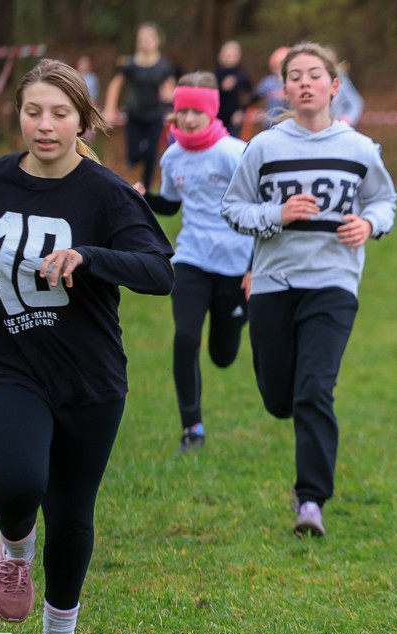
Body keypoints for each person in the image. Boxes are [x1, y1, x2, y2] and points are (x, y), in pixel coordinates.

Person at [0, 59, 175, 634]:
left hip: (91, 379)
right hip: (12, 363)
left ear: (83, 120)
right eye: (33, 111)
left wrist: (89, 256)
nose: (45, 125)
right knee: (16, 485)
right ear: (18, 114)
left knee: (71, 513)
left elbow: (159, 271)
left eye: (60, 113)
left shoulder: (109, 194)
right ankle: (14, 546)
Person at [221, 42, 397, 537]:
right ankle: (306, 484)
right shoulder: (265, 147)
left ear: (334, 86)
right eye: (293, 76)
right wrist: (276, 215)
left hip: (334, 283)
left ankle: (311, 500)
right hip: (274, 283)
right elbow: (233, 208)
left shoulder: (359, 148)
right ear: (284, 88)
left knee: (315, 390)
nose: (304, 83)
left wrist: (368, 224)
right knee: (281, 399)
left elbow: (384, 200)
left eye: (314, 74)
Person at [133, 71, 253, 453]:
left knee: (222, 355)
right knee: (185, 338)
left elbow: (261, 208)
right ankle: (192, 428)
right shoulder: (173, 155)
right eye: (181, 110)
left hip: (236, 264)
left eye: (195, 111)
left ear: (212, 112)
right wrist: (143, 197)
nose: (187, 118)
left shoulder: (235, 153)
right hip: (191, 258)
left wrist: (256, 264)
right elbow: (170, 205)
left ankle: (241, 314)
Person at [103, 22, 178, 189]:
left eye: (148, 39)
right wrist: (110, 107)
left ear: (157, 40)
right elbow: (116, 83)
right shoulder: (130, 64)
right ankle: (135, 164)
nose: (145, 42)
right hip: (135, 114)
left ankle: (147, 190)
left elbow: (171, 86)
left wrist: (171, 96)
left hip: (155, 114)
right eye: (141, 39)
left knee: (151, 153)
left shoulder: (163, 65)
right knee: (133, 155)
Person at [213, 40, 253, 138]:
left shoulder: (241, 75)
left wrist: (241, 110)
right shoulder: (215, 74)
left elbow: (249, 94)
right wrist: (221, 88)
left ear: (237, 57)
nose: (227, 59)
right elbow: (209, 95)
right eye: (225, 55)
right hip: (217, 116)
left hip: (234, 118)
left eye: (231, 56)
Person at [253, 46, 289, 129]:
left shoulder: (293, 82)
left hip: (287, 123)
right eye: (277, 65)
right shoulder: (268, 82)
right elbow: (255, 98)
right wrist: (258, 112)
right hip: (270, 123)